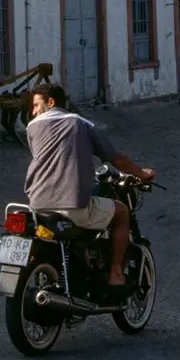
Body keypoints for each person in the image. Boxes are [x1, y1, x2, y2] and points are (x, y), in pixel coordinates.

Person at [24, 82, 154, 293]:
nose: (33, 111)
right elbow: (117, 159)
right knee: (121, 212)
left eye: (36, 105)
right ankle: (115, 273)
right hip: (70, 203)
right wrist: (142, 173)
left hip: (37, 203)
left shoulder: (32, 127)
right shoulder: (79, 122)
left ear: (50, 102)